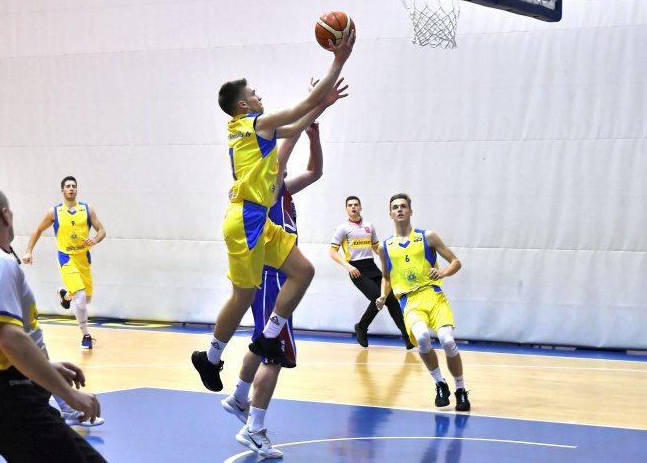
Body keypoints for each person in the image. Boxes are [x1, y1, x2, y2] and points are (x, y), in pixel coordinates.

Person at [191, 30, 355, 393]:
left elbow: (296, 125)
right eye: (254, 94)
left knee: (303, 271)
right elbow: (298, 109)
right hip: (244, 220)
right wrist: (338, 61)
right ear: (243, 105)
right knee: (242, 297)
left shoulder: (247, 128)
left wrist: (323, 104)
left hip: (258, 220)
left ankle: (267, 337)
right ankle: (210, 358)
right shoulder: (254, 124)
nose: (260, 96)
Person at [0, 181, 105, 462]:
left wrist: (44, 366)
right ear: (5, 215)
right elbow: (10, 338)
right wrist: (69, 394)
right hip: (16, 403)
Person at [222, 121, 324, 459]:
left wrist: (314, 136)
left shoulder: (284, 190)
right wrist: (308, 114)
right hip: (273, 274)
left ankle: (239, 396)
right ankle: (253, 428)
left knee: (263, 337)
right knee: (275, 353)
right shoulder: (269, 186)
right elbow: (282, 155)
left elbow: (315, 171)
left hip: (272, 273)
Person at [376, 193, 471, 412]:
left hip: (433, 296)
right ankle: (440, 383)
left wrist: (443, 272)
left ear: (410, 211)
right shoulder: (385, 247)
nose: (399, 209)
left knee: (447, 341)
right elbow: (387, 277)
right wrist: (382, 296)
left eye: (403, 206)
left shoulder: (427, 236)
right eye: (395, 207)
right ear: (390, 214)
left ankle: (460, 389)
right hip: (409, 301)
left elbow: (455, 262)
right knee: (421, 338)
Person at [23, 176, 106, 349]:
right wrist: (29, 251)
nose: (71, 188)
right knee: (80, 298)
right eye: (68, 186)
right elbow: (38, 230)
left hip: (83, 258)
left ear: (77, 189)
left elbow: (102, 230)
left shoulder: (87, 209)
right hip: (66, 257)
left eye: (74, 186)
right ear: (62, 190)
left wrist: (95, 239)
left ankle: (65, 296)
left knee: (85, 299)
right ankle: (86, 335)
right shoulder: (54, 212)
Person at [330, 196, 412, 349]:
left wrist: (390, 257)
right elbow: (332, 252)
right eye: (350, 205)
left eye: (356, 205)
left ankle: (407, 337)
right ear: (346, 209)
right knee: (377, 297)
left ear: (360, 208)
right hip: (356, 269)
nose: (353, 207)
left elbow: (375, 247)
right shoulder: (343, 228)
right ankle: (361, 327)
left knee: (391, 299)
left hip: (372, 267)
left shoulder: (369, 226)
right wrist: (348, 266)